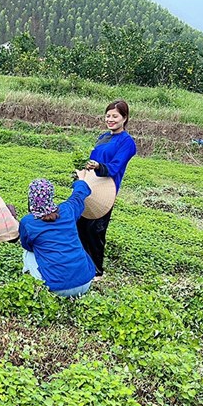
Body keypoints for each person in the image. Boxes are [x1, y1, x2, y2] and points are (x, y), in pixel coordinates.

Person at [77, 99, 137, 280]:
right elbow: (92, 159)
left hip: (106, 189)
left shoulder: (127, 142)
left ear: (124, 118)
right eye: (108, 116)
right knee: (81, 225)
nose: (110, 119)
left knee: (96, 229)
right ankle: (83, 265)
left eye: (115, 116)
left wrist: (98, 166)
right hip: (90, 185)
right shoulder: (103, 136)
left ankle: (96, 270)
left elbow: (116, 166)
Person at [20, 175, 96, 297]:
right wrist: (78, 181)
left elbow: (27, 245)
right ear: (51, 196)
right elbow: (79, 195)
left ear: (31, 198)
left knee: (28, 252)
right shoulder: (67, 210)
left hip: (58, 288)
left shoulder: (28, 222)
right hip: (85, 281)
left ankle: (31, 282)